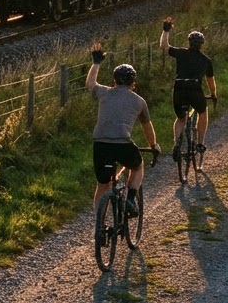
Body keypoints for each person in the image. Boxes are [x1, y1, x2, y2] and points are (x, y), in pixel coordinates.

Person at [86, 44, 160, 215]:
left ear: (115, 80)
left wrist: (96, 62)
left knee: (102, 185)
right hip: (122, 144)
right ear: (133, 83)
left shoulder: (104, 93)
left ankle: (100, 228)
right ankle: (130, 199)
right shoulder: (139, 101)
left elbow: (90, 83)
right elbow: (147, 128)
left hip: (100, 144)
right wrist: (153, 145)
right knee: (138, 165)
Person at [160, 19, 217, 161]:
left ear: (189, 43)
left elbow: (164, 46)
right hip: (195, 89)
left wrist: (166, 31)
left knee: (181, 118)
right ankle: (200, 143)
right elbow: (210, 81)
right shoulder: (206, 60)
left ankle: (177, 144)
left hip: (179, 87)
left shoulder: (181, 53)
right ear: (201, 45)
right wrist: (213, 94)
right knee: (202, 113)